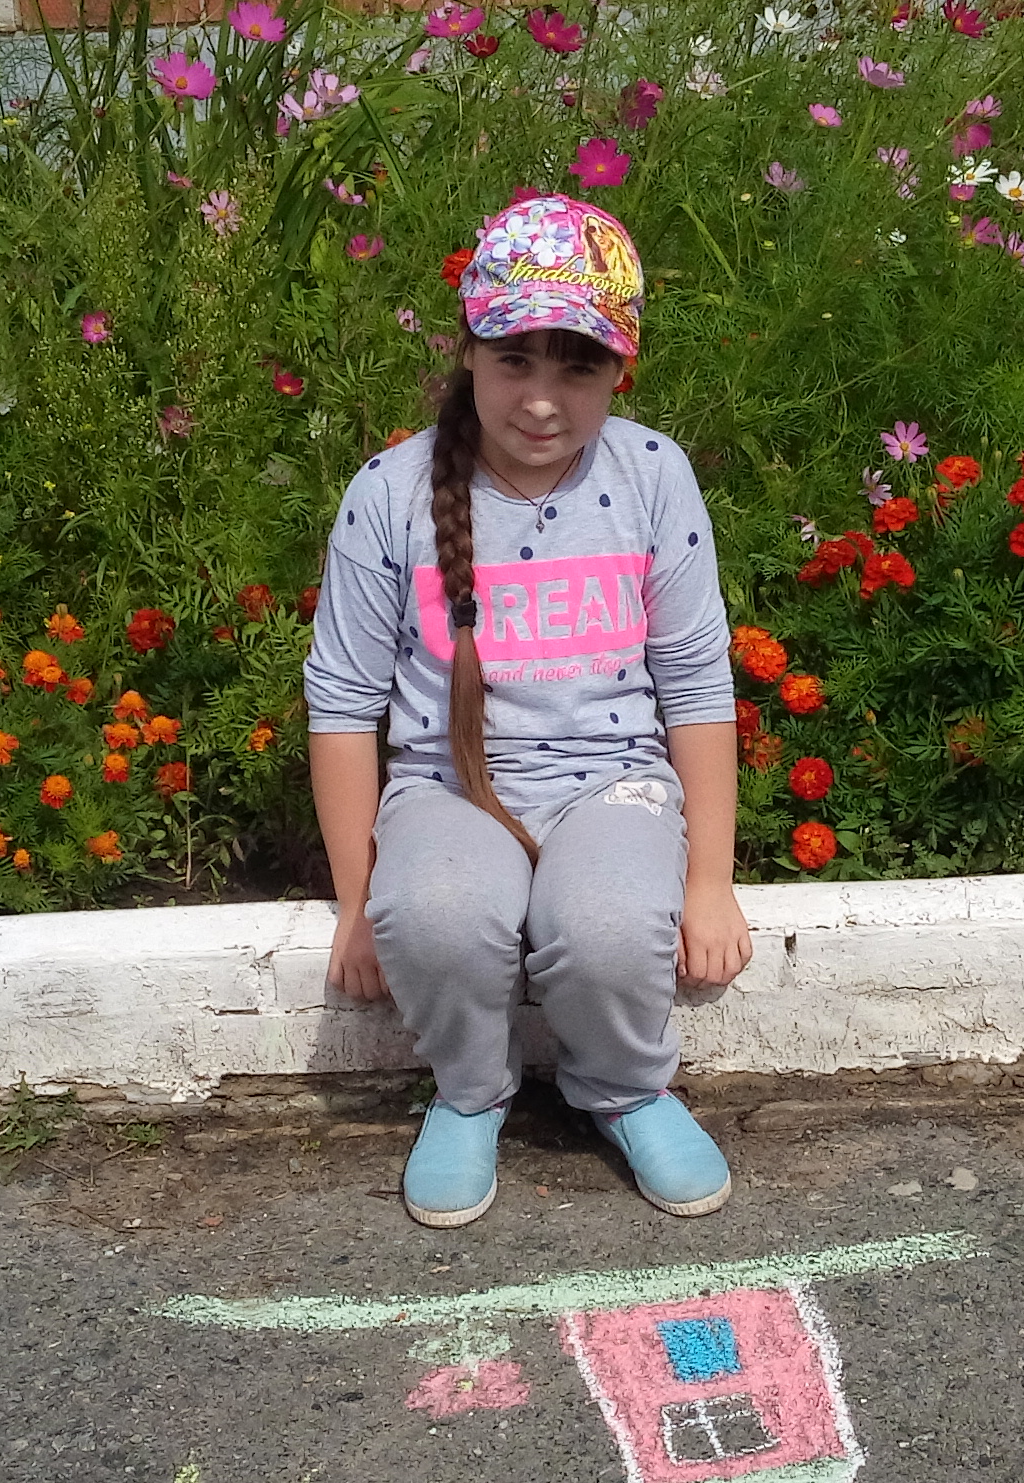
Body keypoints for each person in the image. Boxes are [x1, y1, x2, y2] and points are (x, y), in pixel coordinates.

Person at [304, 193, 752, 1230]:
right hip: (447, 787)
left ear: (619, 372)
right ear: (468, 349)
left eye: (578, 368)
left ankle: (626, 1089)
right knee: (434, 916)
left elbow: (695, 681)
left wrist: (710, 883)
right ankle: (470, 1092)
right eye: (514, 360)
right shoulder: (391, 492)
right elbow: (342, 701)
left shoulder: (652, 476)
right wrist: (357, 902)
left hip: (614, 783)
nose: (542, 401)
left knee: (607, 928)